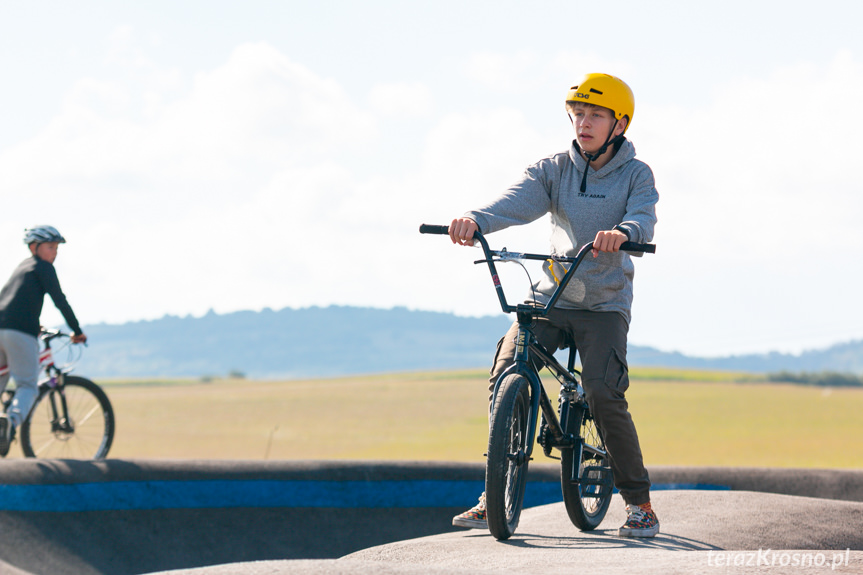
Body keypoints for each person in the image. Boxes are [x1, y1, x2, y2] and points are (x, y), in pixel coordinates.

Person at [448, 73, 659, 537]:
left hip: (603, 305)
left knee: (603, 393)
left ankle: (639, 504)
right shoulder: (554, 169)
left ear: (618, 125)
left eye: (596, 115)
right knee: (508, 364)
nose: (584, 123)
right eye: (578, 114)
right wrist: (475, 220)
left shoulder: (636, 174)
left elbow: (643, 215)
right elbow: (516, 202)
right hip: (553, 296)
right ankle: (494, 493)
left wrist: (625, 233)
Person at [0, 225, 87, 455]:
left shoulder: (22, 268)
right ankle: (10, 422)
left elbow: (9, 299)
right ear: (34, 247)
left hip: (2, 328)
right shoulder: (44, 268)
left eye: (57, 248)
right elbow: (60, 300)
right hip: (19, 333)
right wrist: (77, 331)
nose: (55, 252)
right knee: (27, 385)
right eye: (50, 247)